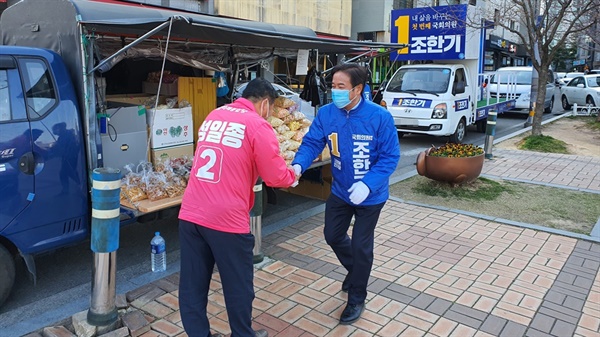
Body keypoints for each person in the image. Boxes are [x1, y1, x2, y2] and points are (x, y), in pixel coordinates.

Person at [178, 78, 299, 337]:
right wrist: (294, 174)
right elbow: (276, 176)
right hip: (227, 219)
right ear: (265, 104)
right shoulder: (258, 125)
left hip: (191, 213)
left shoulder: (214, 114)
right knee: (238, 287)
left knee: (192, 287)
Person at [291, 63, 400, 325]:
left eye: (341, 87)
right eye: (333, 87)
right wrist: (298, 164)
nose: (335, 92)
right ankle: (356, 271)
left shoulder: (379, 117)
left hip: (370, 196)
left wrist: (368, 184)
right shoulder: (327, 114)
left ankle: (357, 296)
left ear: (358, 89)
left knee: (362, 246)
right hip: (340, 190)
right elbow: (312, 142)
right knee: (333, 235)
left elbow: (390, 156)